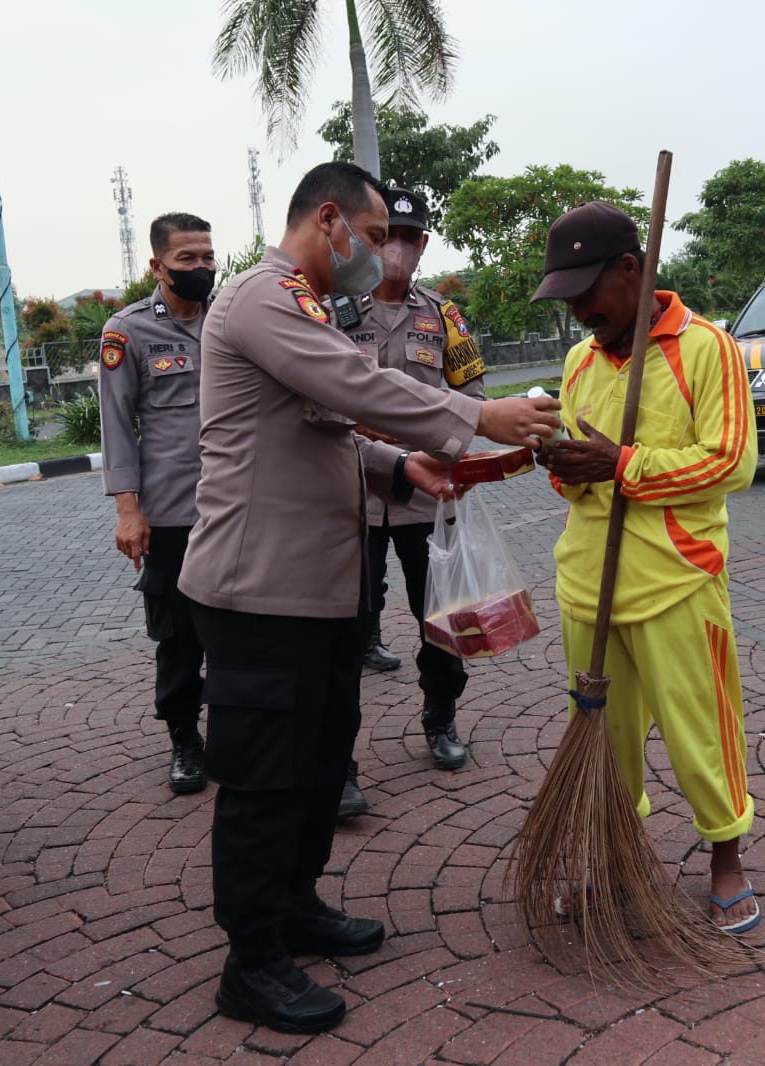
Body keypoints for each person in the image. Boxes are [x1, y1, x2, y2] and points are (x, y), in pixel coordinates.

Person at [177, 161, 559, 1035]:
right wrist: (476, 418)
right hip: (256, 592)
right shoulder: (260, 298)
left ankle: (296, 907)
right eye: (377, 234)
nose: (385, 253)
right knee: (263, 779)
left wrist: (399, 464)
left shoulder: (305, 308)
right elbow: (356, 390)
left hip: (319, 591)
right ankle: (252, 960)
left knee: (319, 760)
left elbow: (329, 429)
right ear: (330, 221)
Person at [532, 202, 762, 935]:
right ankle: (616, 863)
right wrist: (565, 464)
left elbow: (731, 461)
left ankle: (727, 858)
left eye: (585, 294)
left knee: (701, 729)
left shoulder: (707, 349)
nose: (576, 314)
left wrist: (622, 462)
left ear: (631, 272)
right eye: (565, 298)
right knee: (603, 738)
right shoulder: (579, 363)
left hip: (678, 580)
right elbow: (575, 482)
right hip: (586, 583)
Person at [340, 187, 486, 817]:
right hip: (353, 495)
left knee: (443, 617)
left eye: (408, 237)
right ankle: (337, 757)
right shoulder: (335, 313)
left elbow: (472, 395)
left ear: (422, 245)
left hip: (428, 496)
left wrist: (434, 439)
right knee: (342, 628)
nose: (396, 248)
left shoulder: (445, 318)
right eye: (386, 236)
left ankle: (441, 716)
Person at [99, 213, 217, 795]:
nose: (201, 268)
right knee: (177, 636)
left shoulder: (230, 319)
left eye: (207, 257)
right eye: (187, 260)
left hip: (235, 506)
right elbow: (117, 426)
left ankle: (234, 729)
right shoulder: (129, 331)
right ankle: (184, 740)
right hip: (170, 512)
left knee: (238, 628)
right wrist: (128, 509)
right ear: (157, 265)